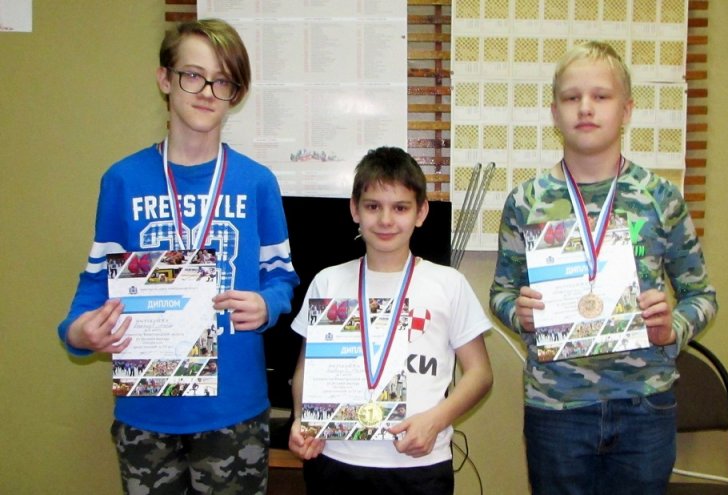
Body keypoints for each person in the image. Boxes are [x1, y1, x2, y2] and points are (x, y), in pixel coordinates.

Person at [57, 19, 299, 494]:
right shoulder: (123, 180)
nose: (207, 91)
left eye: (222, 80)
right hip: (147, 412)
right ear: (164, 79)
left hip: (234, 410)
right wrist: (77, 332)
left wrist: (267, 304)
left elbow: (282, 279)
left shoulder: (257, 183)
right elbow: (95, 284)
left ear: (235, 93)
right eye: (193, 75)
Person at [489, 41, 717, 495]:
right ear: (554, 113)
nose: (585, 108)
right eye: (571, 97)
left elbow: (703, 297)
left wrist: (672, 328)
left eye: (601, 96)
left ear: (626, 110)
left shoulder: (660, 198)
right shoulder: (526, 201)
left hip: (644, 405)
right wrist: (520, 314)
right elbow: (500, 293)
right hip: (557, 408)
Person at [288, 146, 493, 495]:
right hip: (336, 459)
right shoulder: (328, 281)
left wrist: (436, 420)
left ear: (421, 212)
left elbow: (480, 373)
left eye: (400, 208)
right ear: (354, 210)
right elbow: (307, 367)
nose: (385, 220)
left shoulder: (447, 284)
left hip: (419, 464)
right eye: (373, 207)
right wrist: (300, 419)